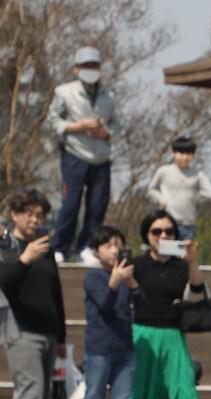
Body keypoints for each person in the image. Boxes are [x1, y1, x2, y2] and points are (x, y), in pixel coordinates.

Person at [129, 210, 211, 399]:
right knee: (140, 394)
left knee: (183, 391)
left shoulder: (182, 266)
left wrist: (192, 262)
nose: (163, 236)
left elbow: (199, 294)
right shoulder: (136, 264)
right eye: (156, 231)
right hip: (141, 335)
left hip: (172, 335)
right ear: (147, 235)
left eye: (169, 232)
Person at [0, 190, 65, 399]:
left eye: (39, 215)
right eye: (28, 213)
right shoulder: (7, 247)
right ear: (14, 214)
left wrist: (61, 335)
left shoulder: (44, 247)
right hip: (20, 328)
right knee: (30, 392)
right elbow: (4, 283)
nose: (34, 220)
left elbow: (55, 291)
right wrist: (24, 259)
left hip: (47, 329)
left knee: (42, 396)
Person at [71, 225, 139, 399]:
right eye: (108, 246)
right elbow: (104, 304)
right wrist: (115, 281)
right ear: (96, 251)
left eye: (118, 245)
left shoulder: (125, 276)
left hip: (125, 350)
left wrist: (132, 283)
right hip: (100, 349)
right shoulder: (94, 277)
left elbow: (142, 306)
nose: (114, 250)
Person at [46, 47, 117, 265]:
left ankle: (87, 247)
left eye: (94, 66)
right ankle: (60, 247)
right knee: (71, 203)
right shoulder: (63, 92)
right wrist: (78, 126)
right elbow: (52, 121)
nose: (90, 70)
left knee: (98, 205)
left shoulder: (108, 96)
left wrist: (107, 133)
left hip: (101, 157)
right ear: (76, 69)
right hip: (74, 154)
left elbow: (116, 125)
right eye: (86, 66)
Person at [147, 136, 211, 241]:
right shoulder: (164, 171)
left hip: (188, 226)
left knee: (184, 256)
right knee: (167, 256)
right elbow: (151, 190)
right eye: (181, 153)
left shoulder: (197, 174)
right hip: (168, 226)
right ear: (173, 153)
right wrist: (159, 198)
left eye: (188, 154)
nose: (185, 157)